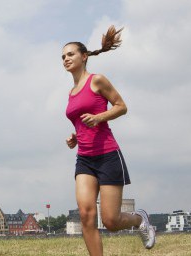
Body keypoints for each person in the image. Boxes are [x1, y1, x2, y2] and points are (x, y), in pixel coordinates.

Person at [63, 25, 155, 255]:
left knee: (111, 221)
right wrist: (75, 136)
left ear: (84, 56)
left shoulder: (97, 80)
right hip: (84, 158)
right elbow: (81, 122)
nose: (65, 59)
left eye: (70, 54)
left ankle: (139, 219)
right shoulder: (71, 92)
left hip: (107, 155)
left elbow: (121, 106)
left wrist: (99, 117)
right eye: (63, 56)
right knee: (86, 215)